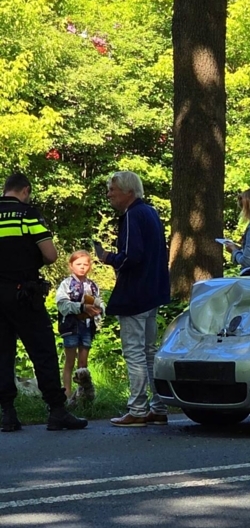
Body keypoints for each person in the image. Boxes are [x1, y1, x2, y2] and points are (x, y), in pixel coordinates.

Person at [0, 173, 87, 432]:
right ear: (25, 190)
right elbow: (50, 255)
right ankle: (57, 411)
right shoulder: (28, 214)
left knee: (2, 353)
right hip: (24, 294)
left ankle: (7, 414)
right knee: (42, 350)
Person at [93, 171, 171, 427]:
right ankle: (158, 406)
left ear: (128, 192)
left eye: (112, 190)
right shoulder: (150, 213)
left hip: (135, 293)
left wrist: (108, 258)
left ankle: (137, 408)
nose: (109, 194)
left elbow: (131, 256)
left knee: (135, 352)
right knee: (149, 352)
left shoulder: (131, 216)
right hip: (153, 291)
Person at [55, 250, 104, 403]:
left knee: (83, 363)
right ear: (71, 266)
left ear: (90, 266)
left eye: (85, 264)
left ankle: (82, 396)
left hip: (87, 326)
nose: (82, 267)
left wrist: (100, 309)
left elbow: (98, 302)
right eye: (78, 264)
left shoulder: (92, 285)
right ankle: (67, 395)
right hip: (70, 327)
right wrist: (81, 308)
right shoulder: (66, 284)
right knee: (70, 361)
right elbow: (62, 304)